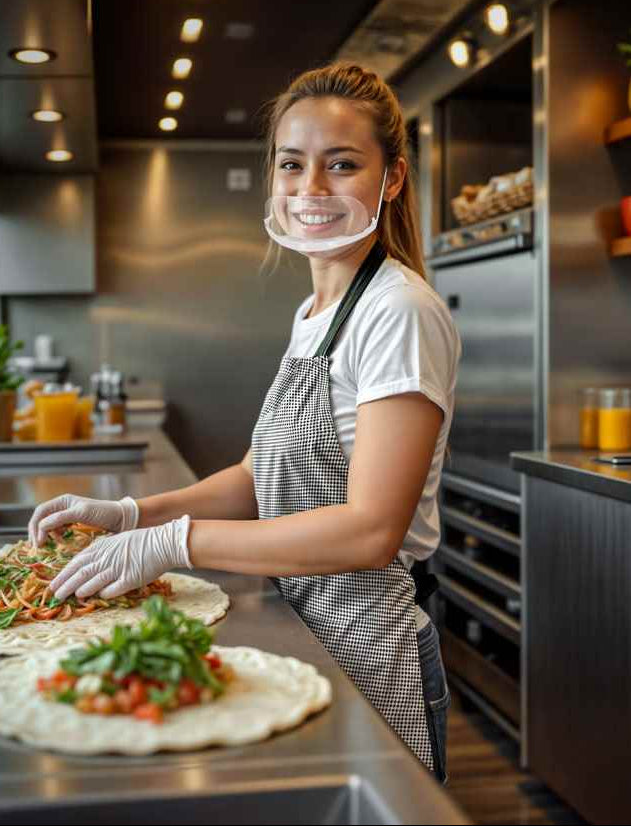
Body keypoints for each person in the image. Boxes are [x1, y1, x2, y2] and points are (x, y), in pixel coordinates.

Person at [28, 62, 461, 782]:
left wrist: (177, 543)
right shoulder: (315, 313)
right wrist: (132, 514)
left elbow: (370, 529)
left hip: (368, 642)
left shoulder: (398, 312)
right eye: (291, 165)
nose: (311, 189)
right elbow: (264, 475)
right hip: (307, 625)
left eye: (342, 165)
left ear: (390, 179)